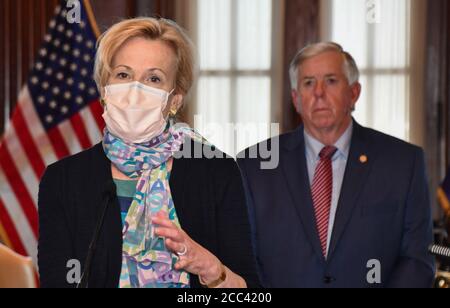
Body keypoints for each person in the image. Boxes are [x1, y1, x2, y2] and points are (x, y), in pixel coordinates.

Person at [38, 17, 259, 288]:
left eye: (153, 78)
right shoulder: (63, 180)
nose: (135, 91)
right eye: (123, 75)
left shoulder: (216, 172)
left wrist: (213, 270)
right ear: (104, 89)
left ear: (174, 99)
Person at [237, 42, 435, 288]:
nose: (319, 92)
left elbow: (417, 260)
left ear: (354, 93)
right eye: (308, 82)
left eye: (331, 80)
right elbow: (243, 261)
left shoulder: (403, 163)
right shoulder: (254, 166)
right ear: (296, 99)